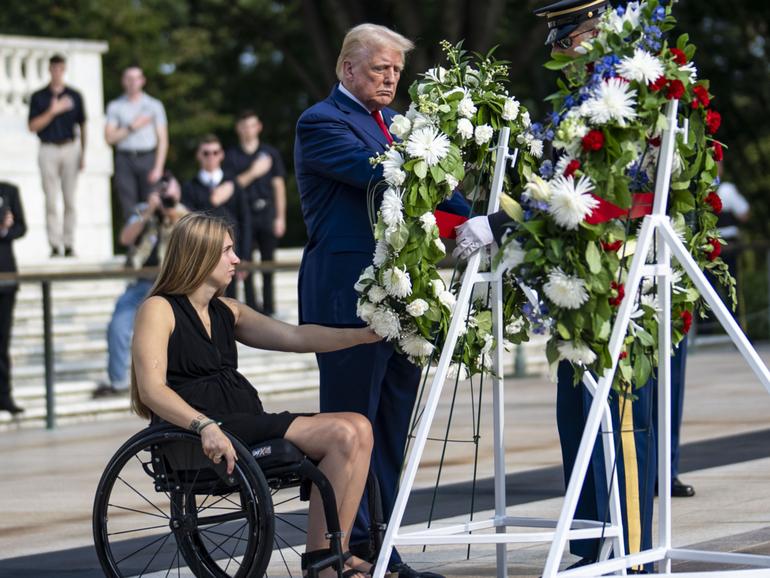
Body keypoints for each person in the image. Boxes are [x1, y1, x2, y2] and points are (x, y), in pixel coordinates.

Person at [455, 1, 660, 570]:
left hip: (612, 277)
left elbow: (599, 196)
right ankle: (590, 549)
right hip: (574, 280)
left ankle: (631, 555)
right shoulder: (580, 102)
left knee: (614, 422)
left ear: (590, 35)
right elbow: (553, 183)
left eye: (564, 42)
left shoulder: (622, 99)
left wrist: (500, 223)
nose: (558, 54)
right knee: (577, 422)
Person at [294, 22, 470, 578]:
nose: (392, 78)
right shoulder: (321, 123)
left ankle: (382, 546)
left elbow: (439, 192)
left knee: (393, 427)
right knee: (354, 424)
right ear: (348, 69)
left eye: (396, 69)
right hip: (348, 298)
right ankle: (341, 550)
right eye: (380, 68)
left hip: (401, 298)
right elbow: (384, 177)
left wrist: (482, 215)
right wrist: (438, 165)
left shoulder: (397, 124)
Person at [130, 212, 380, 577]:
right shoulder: (159, 309)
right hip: (197, 433)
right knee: (342, 433)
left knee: (360, 426)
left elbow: (295, 337)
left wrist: (361, 336)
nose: (236, 259)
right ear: (200, 254)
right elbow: (152, 390)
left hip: (243, 422)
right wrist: (204, 426)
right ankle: (322, 563)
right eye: (227, 251)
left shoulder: (226, 310)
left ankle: (331, 555)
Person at [93, 174, 187, 398]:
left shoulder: (185, 214)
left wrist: (172, 213)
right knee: (118, 325)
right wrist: (148, 213)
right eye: (162, 193)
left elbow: (191, 241)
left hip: (171, 284)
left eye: (170, 194)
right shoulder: (143, 210)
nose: (166, 199)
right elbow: (125, 239)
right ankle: (118, 382)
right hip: (140, 284)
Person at [224, 110, 287, 316]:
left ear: (258, 127)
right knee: (245, 264)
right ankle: (252, 309)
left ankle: (269, 308)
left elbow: (278, 186)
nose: (247, 130)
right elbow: (232, 186)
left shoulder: (270, 153)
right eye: (243, 126)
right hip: (244, 217)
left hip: (267, 213)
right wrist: (255, 172)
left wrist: (280, 217)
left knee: (268, 264)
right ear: (238, 129)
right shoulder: (231, 156)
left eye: (251, 125)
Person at [182, 134, 255, 299]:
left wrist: (245, 255)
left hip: (233, 250)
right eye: (206, 153)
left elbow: (245, 220)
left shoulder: (233, 184)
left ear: (222, 154)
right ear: (198, 155)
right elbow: (191, 222)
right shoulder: (189, 187)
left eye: (215, 152)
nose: (211, 157)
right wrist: (214, 200)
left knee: (233, 300)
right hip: (204, 253)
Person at [28, 54, 86, 258]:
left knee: (70, 199)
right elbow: (32, 126)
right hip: (48, 148)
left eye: (60, 68)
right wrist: (53, 111)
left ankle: (69, 243)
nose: (57, 72)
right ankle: (54, 244)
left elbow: (83, 124)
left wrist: (83, 154)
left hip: (70, 147)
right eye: (54, 68)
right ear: (50, 69)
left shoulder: (75, 95)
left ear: (64, 69)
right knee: (50, 199)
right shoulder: (39, 96)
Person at [105, 65, 168, 222]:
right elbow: (109, 138)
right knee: (129, 207)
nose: (133, 82)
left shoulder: (154, 105)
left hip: (148, 158)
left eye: (136, 78)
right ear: (123, 81)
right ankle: (133, 244)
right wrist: (132, 127)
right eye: (129, 78)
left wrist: (158, 168)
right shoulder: (115, 106)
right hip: (125, 159)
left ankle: (152, 245)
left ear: (143, 81)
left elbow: (163, 139)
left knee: (152, 204)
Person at [0, 181, 27, 414]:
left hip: (5, 278)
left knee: (2, 340)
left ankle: (4, 396)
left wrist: (4, 229)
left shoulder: (9, 190)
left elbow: (21, 227)